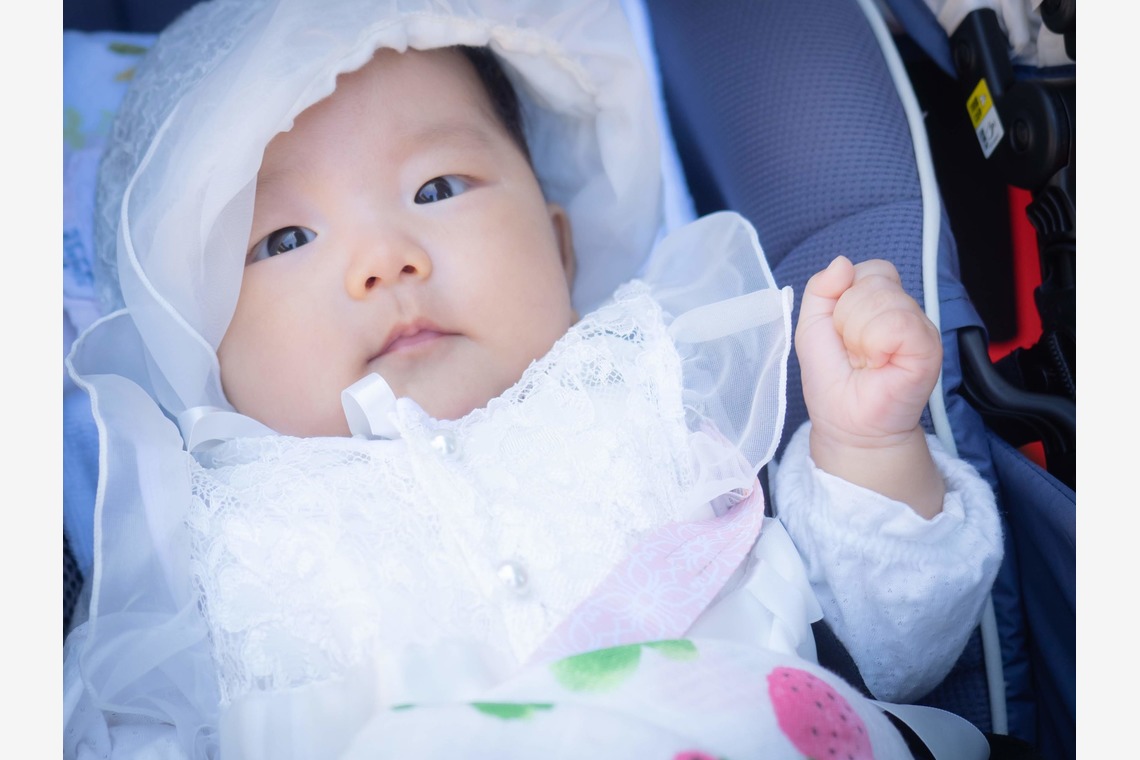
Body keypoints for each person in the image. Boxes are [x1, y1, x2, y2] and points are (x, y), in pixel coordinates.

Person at [63, 0, 1002, 757]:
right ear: (200, 348)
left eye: (437, 188)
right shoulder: (219, 549)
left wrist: (867, 446)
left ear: (558, 245)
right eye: (285, 240)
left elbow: (891, 654)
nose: (383, 261)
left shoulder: (645, 408)